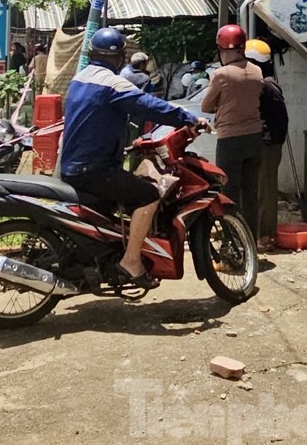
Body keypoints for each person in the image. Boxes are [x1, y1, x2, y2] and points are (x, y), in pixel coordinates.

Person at [59, 27, 205, 289]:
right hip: (95, 169)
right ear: (119, 58)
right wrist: (189, 119)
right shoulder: (113, 83)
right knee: (148, 195)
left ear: (92, 53)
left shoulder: (79, 78)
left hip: (72, 165)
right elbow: (149, 105)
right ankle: (131, 262)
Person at [202, 24, 266, 239]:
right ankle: (251, 244)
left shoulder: (221, 74)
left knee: (229, 195)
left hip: (230, 140)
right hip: (255, 138)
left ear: (223, 50)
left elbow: (205, 106)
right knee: (251, 194)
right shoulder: (257, 71)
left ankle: (233, 246)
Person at [243, 38, 287, 241]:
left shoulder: (268, 86)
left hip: (268, 144)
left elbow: (281, 118)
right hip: (263, 142)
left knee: (265, 191)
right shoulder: (260, 83)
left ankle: (266, 235)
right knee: (256, 190)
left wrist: (272, 140)